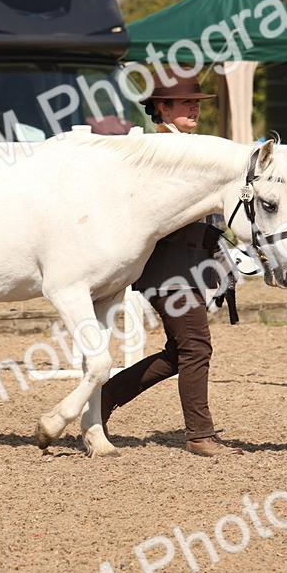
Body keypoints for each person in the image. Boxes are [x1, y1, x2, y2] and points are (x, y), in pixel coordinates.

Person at [100, 74, 243, 457]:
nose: (194, 107)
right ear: (162, 108)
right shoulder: (158, 151)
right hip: (166, 266)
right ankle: (200, 434)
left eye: (195, 102)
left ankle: (102, 399)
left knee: (179, 352)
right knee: (196, 347)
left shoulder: (191, 149)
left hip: (189, 262)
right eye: (184, 103)